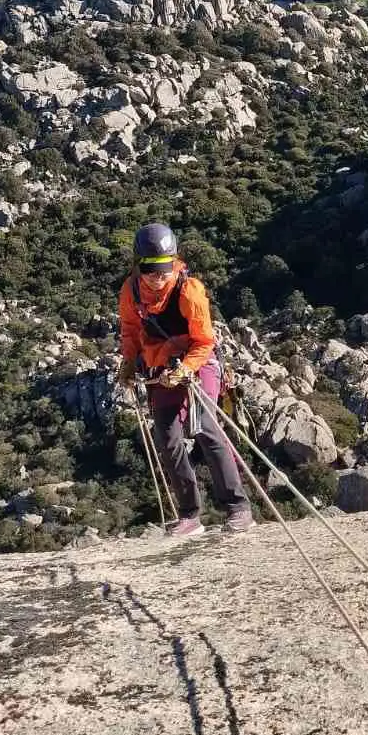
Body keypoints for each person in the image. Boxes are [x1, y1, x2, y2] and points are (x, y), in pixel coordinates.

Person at [118, 222, 254, 539]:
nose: (158, 276)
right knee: (167, 438)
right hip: (160, 364)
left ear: (174, 262)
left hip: (199, 361)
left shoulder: (188, 290)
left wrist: (185, 370)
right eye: (150, 269)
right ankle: (190, 515)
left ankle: (238, 507)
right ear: (138, 266)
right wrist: (129, 362)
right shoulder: (131, 291)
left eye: (165, 267)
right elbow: (130, 330)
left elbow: (204, 341)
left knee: (206, 427)